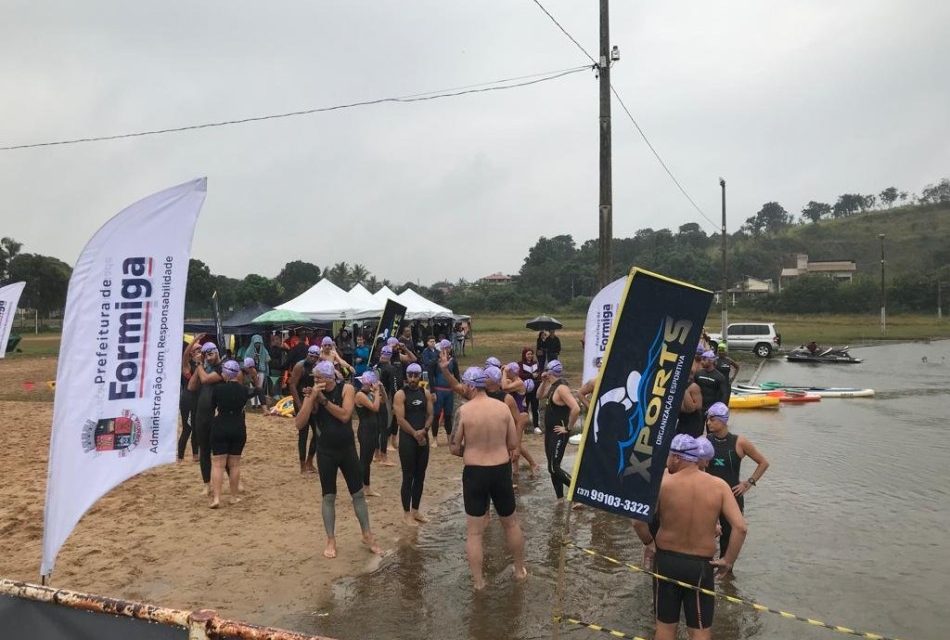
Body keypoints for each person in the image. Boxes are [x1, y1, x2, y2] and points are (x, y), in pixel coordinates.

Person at [632, 434, 747, 640]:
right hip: (701, 567)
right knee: (700, 630)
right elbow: (740, 527)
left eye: (668, 456)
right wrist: (727, 561)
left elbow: (637, 521)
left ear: (677, 457)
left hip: (666, 561)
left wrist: (649, 543)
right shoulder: (719, 486)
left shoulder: (662, 483)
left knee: (665, 629)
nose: (667, 460)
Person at [449, 366, 527, 590]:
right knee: (511, 524)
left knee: (474, 532)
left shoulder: (463, 412)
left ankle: (478, 582)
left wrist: (472, 450)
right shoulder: (502, 408)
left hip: (475, 473)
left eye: (464, 384)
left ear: (471, 385)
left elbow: (454, 448)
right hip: (500, 469)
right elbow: (513, 444)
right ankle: (520, 570)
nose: (462, 387)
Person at [294, 361, 382, 558]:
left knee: (358, 493)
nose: (315, 381)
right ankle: (331, 539)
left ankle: (367, 534)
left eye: (319, 378)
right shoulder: (314, 395)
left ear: (329, 378)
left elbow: (344, 415)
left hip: (347, 449)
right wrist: (311, 399)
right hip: (326, 452)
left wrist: (324, 401)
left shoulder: (347, 389)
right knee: (329, 496)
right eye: (314, 378)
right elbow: (299, 424)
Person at [704, 402, 769, 563]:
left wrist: (748, 483)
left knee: (729, 537)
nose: (708, 423)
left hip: (732, 497)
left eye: (712, 419)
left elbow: (763, 463)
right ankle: (706, 572)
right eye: (707, 419)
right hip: (709, 496)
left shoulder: (739, 442)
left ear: (723, 420)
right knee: (706, 535)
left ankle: (726, 577)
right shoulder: (704, 442)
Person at [208, 360, 261, 508]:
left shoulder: (217, 389)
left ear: (225, 373)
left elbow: (212, 408)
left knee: (218, 464)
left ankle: (217, 498)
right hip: (238, 426)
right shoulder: (243, 390)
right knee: (235, 464)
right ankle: (233, 496)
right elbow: (257, 390)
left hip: (221, 424)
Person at [393, 362, 433, 526]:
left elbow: (431, 414)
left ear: (419, 376)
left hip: (422, 437)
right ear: (406, 376)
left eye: (416, 376)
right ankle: (406, 513)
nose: (413, 379)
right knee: (408, 476)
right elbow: (400, 419)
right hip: (408, 439)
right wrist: (414, 433)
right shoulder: (400, 395)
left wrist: (425, 429)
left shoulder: (426, 393)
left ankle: (416, 510)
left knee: (420, 476)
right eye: (410, 375)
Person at [536, 360, 579, 500]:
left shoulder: (562, 388)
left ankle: (578, 491)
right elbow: (538, 396)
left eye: (546, 370)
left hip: (559, 433)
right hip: (550, 433)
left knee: (554, 468)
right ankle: (560, 499)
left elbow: (576, 408)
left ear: (550, 371)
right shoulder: (552, 386)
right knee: (552, 468)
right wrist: (543, 382)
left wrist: (568, 428)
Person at [188, 341, 223, 494]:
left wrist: (199, 366)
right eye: (205, 355)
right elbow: (191, 386)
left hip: (216, 415)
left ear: (217, 352)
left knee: (221, 452)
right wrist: (198, 365)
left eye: (211, 354)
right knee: (204, 451)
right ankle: (206, 484)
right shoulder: (204, 367)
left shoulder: (223, 367)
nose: (208, 358)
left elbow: (207, 380)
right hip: (201, 415)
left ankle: (234, 480)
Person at [289, 345, 321, 474]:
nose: (312, 358)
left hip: (313, 401)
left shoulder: (318, 367)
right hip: (301, 401)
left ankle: (310, 461)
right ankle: (302, 465)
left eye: (315, 356)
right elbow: (292, 385)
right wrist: (300, 405)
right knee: (303, 433)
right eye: (311, 355)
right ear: (307, 354)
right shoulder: (300, 366)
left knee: (318, 433)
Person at [354, 370, 385, 497]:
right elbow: (375, 408)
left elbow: (384, 402)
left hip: (373, 430)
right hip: (365, 430)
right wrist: (376, 392)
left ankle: (367, 488)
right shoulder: (360, 395)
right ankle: (358, 490)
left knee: (368, 461)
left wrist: (381, 389)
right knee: (363, 461)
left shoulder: (371, 394)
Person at [427, 339, 459, 447]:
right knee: (436, 415)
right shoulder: (434, 361)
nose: (446, 350)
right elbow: (431, 377)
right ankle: (435, 439)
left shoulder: (453, 361)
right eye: (444, 348)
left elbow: (457, 376)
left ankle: (449, 438)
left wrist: (458, 389)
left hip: (449, 391)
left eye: (448, 348)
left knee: (448, 416)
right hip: (438, 390)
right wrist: (432, 392)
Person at [178, 338, 201, 462]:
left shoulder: (202, 365)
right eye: (198, 350)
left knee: (196, 427)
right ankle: (180, 457)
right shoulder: (187, 365)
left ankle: (195, 455)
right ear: (192, 353)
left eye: (201, 350)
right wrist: (195, 340)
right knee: (187, 429)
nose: (200, 351)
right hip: (188, 399)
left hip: (198, 399)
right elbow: (185, 354)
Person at [694, 350, 730, 415]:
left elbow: (724, 394)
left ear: (711, 361)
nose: (702, 362)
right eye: (701, 359)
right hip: (699, 408)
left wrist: (719, 409)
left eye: (704, 359)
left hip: (712, 409)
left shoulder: (720, 377)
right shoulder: (698, 374)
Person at [519, 347, 542, 433]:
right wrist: (530, 376)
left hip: (535, 388)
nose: (530, 356)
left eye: (531, 354)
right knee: (524, 407)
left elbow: (539, 373)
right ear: (524, 355)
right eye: (528, 354)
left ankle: (536, 426)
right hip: (525, 390)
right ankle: (523, 426)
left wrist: (537, 375)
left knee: (535, 407)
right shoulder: (520, 364)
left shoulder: (535, 363)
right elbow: (520, 375)